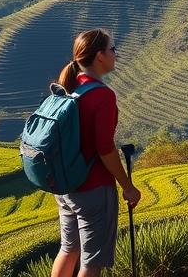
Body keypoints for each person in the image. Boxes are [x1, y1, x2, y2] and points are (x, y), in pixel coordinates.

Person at [51, 29, 141, 277]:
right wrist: (127, 186)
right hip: (94, 189)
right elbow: (105, 148)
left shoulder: (68, 87)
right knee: (92, 262)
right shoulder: (102, 95)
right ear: (99, 56)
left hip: (66, 186)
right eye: (113, 49)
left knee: (68, 250)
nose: (116, 54)